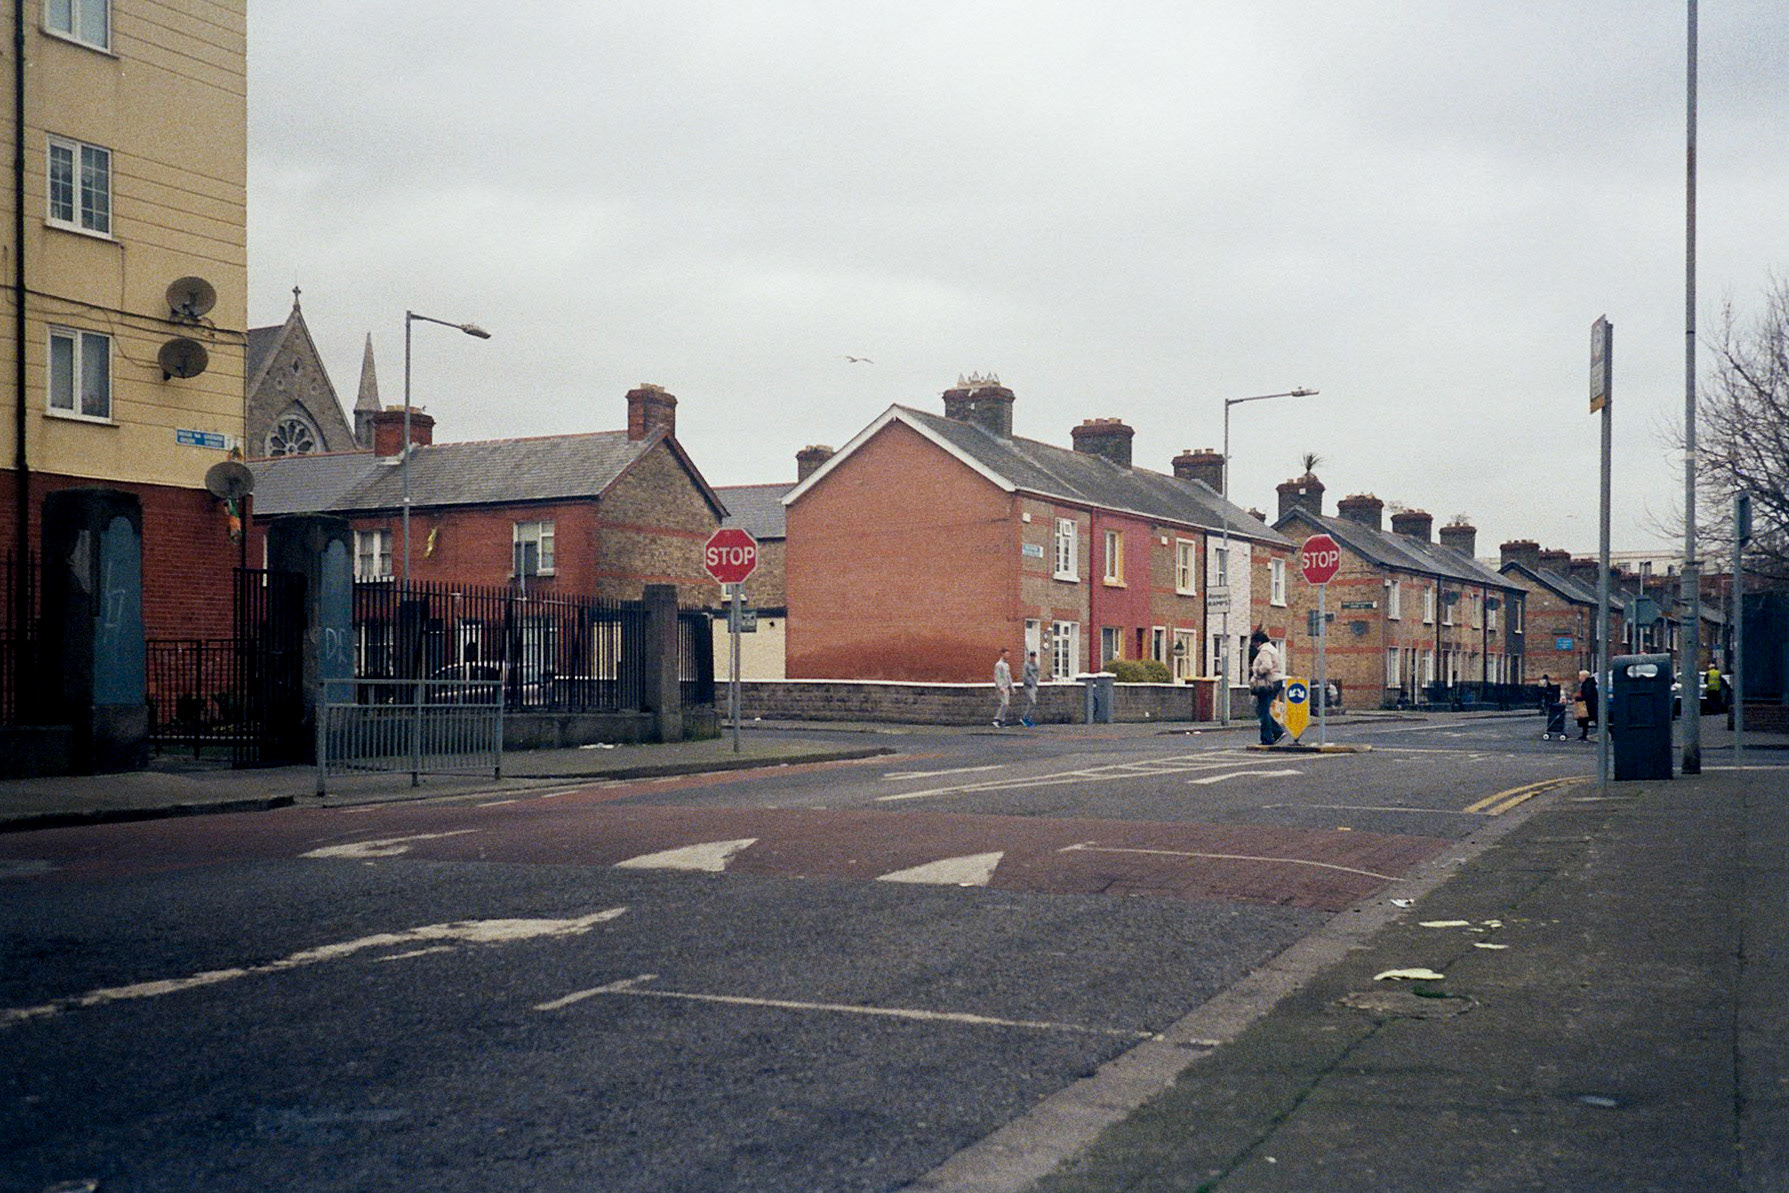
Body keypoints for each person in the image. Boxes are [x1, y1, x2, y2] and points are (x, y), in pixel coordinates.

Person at [1248, 629, 1286, 746]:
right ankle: (1277, 731)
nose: (1254, 645)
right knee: (1262, 709)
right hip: (1276, 681)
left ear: (1258, 642)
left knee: (1263, 710)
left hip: (1268, 683)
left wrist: (1257, 671)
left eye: (1254, 643)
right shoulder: (1272, 648)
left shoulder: (1265, 651)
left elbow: (1267, 665)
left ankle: (1267, 738)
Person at [992, 647, 1013, 727]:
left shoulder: (1006, 665)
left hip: (1006, 687)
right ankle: (996, 719)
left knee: (1005, 704)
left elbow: (1008, 676)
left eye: (1009, 654)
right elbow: (997, 676)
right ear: (1002, 654)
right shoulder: (998, 665)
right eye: (1007, 654)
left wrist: (1012, 687)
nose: (1008, 655)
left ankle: (1002, 721)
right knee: (1005, 703)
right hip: (1002, 688)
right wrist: (1000, 686)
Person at [1575, 669, 1597, 740]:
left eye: (1580, 676)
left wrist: (1579, 698)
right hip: (1590, 704)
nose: (1579, 678)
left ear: (1584, 676)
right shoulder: (1589, 683)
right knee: (1588, 720)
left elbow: (1587, 695)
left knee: (1590, 719)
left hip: (1589, 705)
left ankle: (1584, 735)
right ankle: (1584, 735)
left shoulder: (1587, 684)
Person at [1020, 650, 1041, 727]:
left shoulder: (1037, 665)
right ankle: (1025, 718)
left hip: (1033, 686)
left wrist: (1035, 684)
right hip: (1028, 686)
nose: (1032, 658)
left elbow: (1037, 675)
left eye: (1034, 656)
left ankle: (1027, 718)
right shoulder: (1026, 665)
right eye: (1031, 656)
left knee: (1031, 702)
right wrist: (1028, 683)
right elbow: (1024, 676)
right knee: (1032, 701)